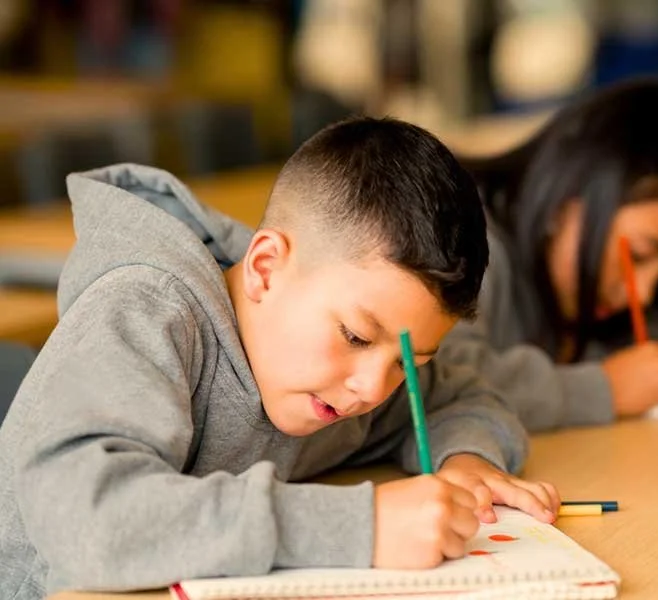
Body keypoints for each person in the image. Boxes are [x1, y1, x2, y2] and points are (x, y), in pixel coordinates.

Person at [0, 117, 560, 599]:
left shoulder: (332, 372)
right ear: (265, 267)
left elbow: (464, 395)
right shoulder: (148, 311)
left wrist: (463, 461)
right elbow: (88, 518)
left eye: (407, 365)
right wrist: (360, 528)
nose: (372, 389)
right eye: (358, 337)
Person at [440, 79, 658, 431]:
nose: (646, 291)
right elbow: (437, 385)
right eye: (638, 255)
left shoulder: (573, 299)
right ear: (564, 206)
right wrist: (603, 389)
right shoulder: (463, 240)